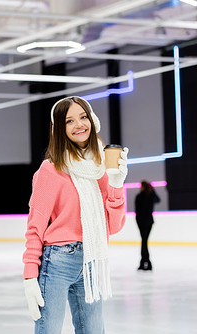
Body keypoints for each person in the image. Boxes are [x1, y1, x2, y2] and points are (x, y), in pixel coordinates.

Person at [22, 96, 128, 334]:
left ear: (93, 120)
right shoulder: (50, 170)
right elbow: (35, 226)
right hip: (57, 260)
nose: (79, 124)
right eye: (69, 121)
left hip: (92, 260)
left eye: (83, 117)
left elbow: (114, 225)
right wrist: (30, 274)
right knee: (48, 330)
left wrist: (117, 185)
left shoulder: (103, 168)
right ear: (60, 128)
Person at [135, 181, 160, 271]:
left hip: (142, 222)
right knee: (144, 242)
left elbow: (137, 212)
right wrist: (153, 190)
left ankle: (145, 263)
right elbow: (158, 199)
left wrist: (137, 222)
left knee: (144, 242)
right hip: (148, 222)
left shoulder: (139, 196)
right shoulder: (151, 196)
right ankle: (145, 263)